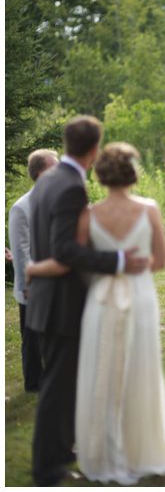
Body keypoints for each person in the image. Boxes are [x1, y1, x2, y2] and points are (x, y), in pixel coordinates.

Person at [27, 143, 165, 484]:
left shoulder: (89, 214)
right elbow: (159, 262)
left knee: (103, 373)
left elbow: (76, 261)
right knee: (140, 371)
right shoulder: (150, 209)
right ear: (133, 172)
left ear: (100, 175)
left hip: (100, 300)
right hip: (140, 296)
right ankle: (142, 449)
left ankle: (102, 451)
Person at [8, 149, 58, 392]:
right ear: (40, 173)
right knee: (32, 336)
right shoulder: (21, 208)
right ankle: (34, 383)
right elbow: (21, 252)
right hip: (33, 284)